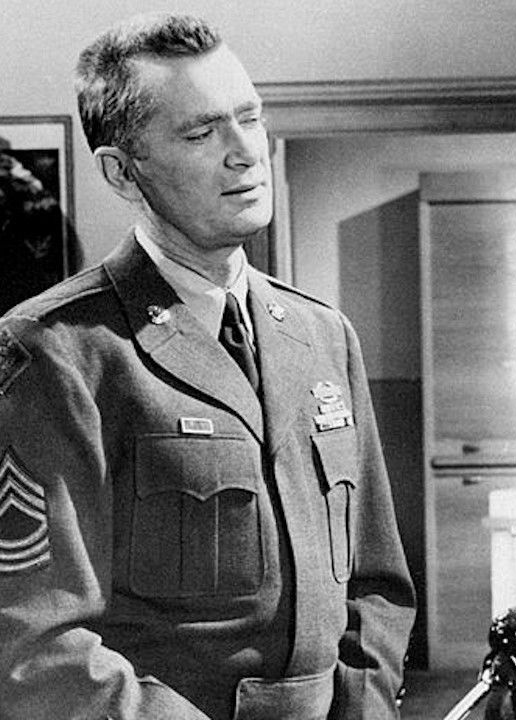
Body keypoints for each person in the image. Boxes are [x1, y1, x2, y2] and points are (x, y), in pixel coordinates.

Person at [0, 13, 415, 719]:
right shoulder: (58, 351)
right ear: (122, 172)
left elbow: (377, 589)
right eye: (201, 134)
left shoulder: (323, 335)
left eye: (249, 118)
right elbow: (39, 646)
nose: (246, 152)